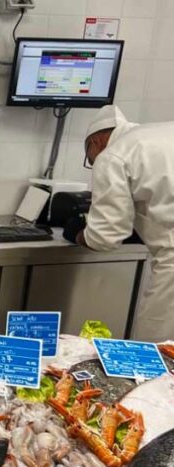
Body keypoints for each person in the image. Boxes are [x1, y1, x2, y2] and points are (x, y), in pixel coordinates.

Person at [64, 105, 174, 343]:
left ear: (95, 142)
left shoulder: (113, 155)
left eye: (90, 160)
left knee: (157, 348)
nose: (94, 163)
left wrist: (77, 233)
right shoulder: (158, 135)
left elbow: (104, 238)